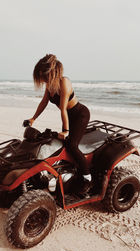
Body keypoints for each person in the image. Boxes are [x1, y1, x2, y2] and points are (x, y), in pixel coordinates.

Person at [28, 54, 93, 193]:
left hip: (80, 115)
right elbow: (43, 103)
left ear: (51, 72)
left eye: (44, 76)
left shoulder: (64, 82)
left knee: (72, 145)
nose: (43, 80)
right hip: (69, 116)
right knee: (58, 144)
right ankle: (69, 172)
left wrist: (65, 130)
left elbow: (63, 108)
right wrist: (33, 119)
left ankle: (87, 178)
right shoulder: (49, 86)